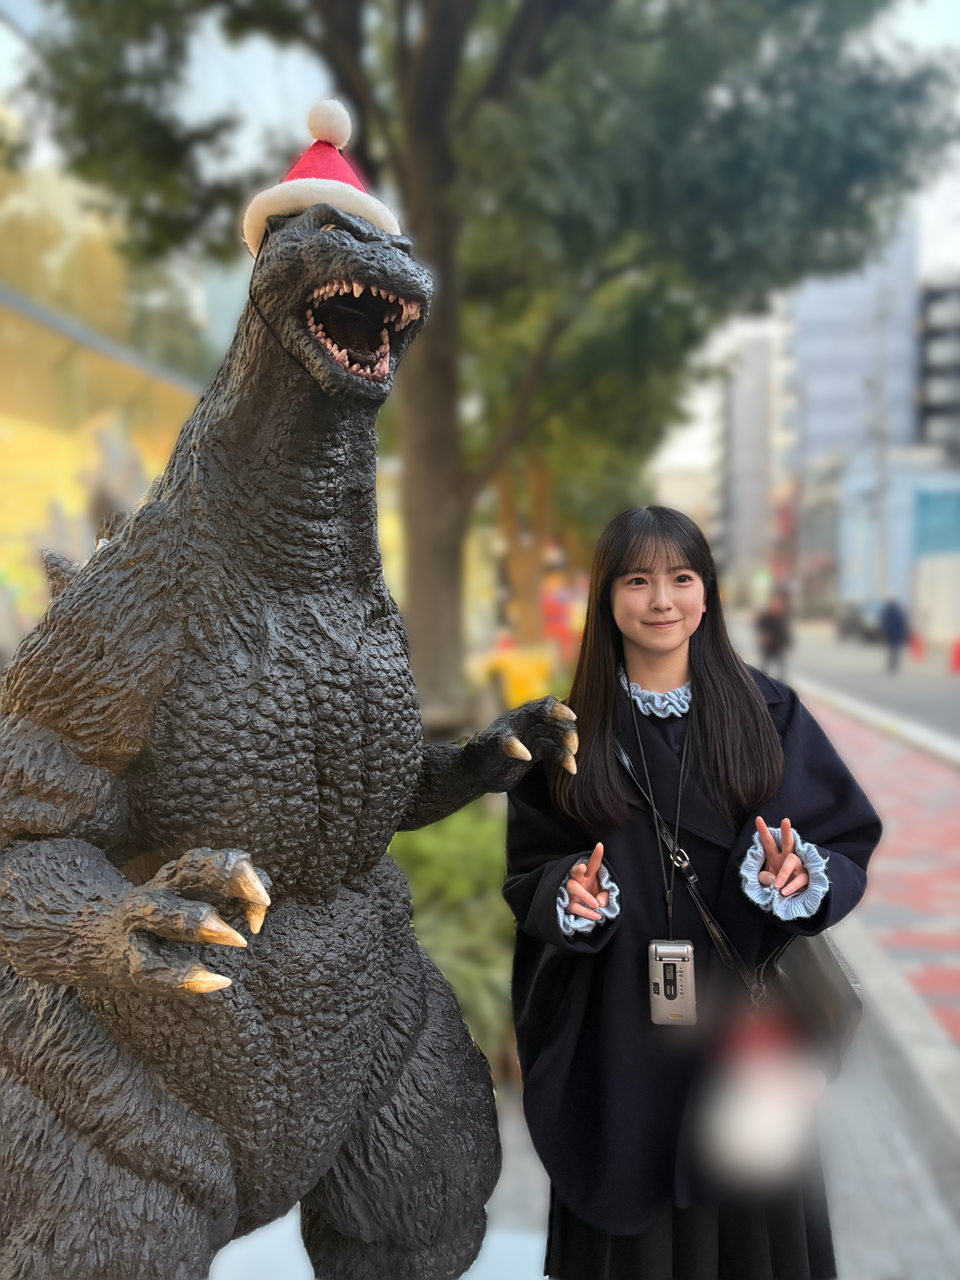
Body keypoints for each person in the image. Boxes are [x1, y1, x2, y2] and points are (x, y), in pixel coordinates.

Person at [503, 506, 881, 1280]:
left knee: (748, 1218)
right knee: (629, 1225)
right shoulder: (565, 738)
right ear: (607, 598)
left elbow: (843, 840)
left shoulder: (769, 714)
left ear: (708, 593)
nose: (661, 600)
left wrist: (799, 875)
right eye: (636, 580)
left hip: (742, 1026)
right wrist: (569, 896)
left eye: (681, 578)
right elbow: (530, 872)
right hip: (617, 1029)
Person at [755, 591, 792, 682]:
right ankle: (762, 682)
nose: (777, 605)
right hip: (768, 646)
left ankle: (781, 684)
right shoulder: (766, 616)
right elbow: (760, 627)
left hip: (778, 645)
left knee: (782, 668)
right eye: (776, 603)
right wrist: (763, 636)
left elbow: (784, 631)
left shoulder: (781, 616)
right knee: (764, 667)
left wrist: (787, 643)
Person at [879, 597, 909, 673]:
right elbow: (902, 624)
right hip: (896, 634)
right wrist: (903, 634)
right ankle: (894, 665)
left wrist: (884, 633)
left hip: (890, 634)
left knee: (891, 651)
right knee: (895, 651)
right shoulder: (898, 612)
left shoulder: (888, 612)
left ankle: (891, 665)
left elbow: (884, 624)